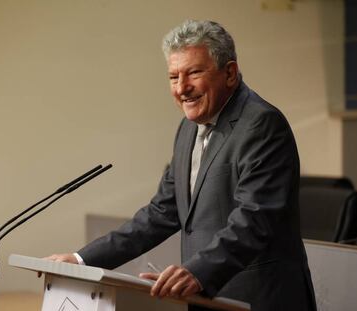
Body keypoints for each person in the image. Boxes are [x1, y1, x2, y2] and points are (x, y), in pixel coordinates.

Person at [46, 20, 317, 311]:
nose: (182, 88)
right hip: (207, 298)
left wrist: (197, 271)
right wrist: (80, 260)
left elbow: (255, 219)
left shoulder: (262, 124)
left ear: (229, 73)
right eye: (173, 77)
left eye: (194, 73)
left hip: (259, 299)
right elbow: (162, 212)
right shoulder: (188, 129)